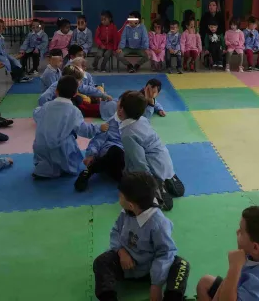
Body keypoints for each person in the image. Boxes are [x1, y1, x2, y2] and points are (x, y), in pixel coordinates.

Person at [92, 172, 190, 301]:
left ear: (131, 204)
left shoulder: (158, 223)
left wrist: (156, 285)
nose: (118, 198)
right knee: (101, 262)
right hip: (127, 265)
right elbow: (116, 231)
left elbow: (165, 252)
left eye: (120, 196)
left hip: (151, 269)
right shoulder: (127, 211)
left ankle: (171, 298)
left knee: (181, 264)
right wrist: (121, 252)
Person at [196, 206, 259, 301]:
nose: (237, 231)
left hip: (250, 293)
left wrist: (234, 267)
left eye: (241, 231)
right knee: (205, 283)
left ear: (255, 247)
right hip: (243, 287)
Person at [118, 91, 184, 211]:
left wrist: (147, 182)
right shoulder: (142, 119)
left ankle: (157, 186)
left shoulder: (128, 134)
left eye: (118, 104)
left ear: (121, 110)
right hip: (165, 160)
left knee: (128, 181)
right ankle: (169, 177)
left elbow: (139, 162)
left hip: (152, 168)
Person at [32, 75, 107, 179]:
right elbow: (84, 130)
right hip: (59, 150)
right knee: (69, 142)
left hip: (40, 149)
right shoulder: (73, 111)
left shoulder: (46, 106)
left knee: (48, 142)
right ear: (75, 94)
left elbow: (36, 113)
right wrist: (99, 128)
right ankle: (61, 167)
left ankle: (45, 168)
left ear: (56, 91)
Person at [74, 100, 124, 191]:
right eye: (119, 107)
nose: (120, 111)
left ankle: (91, 169)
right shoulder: (111, 123)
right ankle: (90, 170)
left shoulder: (138, 124)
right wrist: (91, 154)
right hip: (109, 153)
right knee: (115, 151)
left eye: (124, 108)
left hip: (122, 163)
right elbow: (97, 140)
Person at [0, 19, 31, 83]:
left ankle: (20, 76)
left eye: (2, 27)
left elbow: (2, 49)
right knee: (8, 61)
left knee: (13, 60)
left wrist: (5, 56)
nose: (1, 28)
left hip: (0, 56)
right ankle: (17, 77)